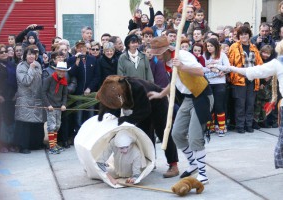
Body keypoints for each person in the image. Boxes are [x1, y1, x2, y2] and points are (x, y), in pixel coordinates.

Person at [148, 36, 213, 184]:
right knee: (177, 133)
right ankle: (193, 163)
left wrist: (182, 66)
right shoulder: (167, 62)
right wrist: (160, 94)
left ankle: (203, 174)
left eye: (158, 53)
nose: (156, 56)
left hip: (202, 96)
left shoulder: (182, 55)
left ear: (165, 50)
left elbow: (200, 71)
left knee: (195, 137)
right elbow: (173, 83)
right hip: (188, 98)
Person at [216, 39, 283, 169]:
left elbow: (252, 71)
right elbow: (252, 71)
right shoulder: (278, 63)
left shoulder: (278, 63)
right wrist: (230, 68)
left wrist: (229, 68)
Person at [97, 75, 179, 178]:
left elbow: (145, 111)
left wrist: (125, 119)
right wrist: (100, 117)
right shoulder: (110, 90)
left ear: (119, 94)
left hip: (158, 103)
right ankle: (150, 162)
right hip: (142, 106)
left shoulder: (137, 88)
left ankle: (173, 165)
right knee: (144, 135)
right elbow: (106, 102)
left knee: (163, 134)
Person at [228, 26, 263, 133]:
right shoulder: (234, 46)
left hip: (252, 80)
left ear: (249, 35)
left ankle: (248, 125)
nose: (243, 36)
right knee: (240, 105)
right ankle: (240, 126)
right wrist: (229, 75)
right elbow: (230, 63)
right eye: (241, 34)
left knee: (250, 104)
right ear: (238, 36)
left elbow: (259, 63)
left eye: (245, 34)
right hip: (239, 80)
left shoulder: (254, 47)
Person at [14, 45, 45, 154]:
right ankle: (23, 147)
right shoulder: (21, 66)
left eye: (33, 54)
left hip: (37, 98)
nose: (31, 56)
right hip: (25, 99)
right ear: (25, 55)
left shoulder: (38, 65)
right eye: (29, 54)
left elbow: (40, 81)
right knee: (25, 124)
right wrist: (31, 68)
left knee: (36, 123)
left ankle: (35, 145)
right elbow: (25, 81)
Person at [68, 40, 99, 135]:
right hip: (78, 93)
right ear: (76, 49)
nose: (81, 49)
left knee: (91, 115)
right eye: (79, 47)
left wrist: (90, 88)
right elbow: (71, 73)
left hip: (90, 93)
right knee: (78, 116)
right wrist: (77, 61)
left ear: (87, 48)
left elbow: (97, 76)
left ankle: (89, 135)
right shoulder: (72, 60)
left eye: (83, 47)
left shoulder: (92, 59)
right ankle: (79, 134)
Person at [0, 44, 17, 153]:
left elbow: (16, 81)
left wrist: (16, 93)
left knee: (11, 120)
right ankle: (1, 144)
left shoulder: (11, 64)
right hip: (0, 96)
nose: (4, 53)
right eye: (1, 52)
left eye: (5, 51)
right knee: (2, 121)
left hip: (11, 96)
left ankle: (10, 143)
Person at [203, 38, 230, 137]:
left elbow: (227, 67)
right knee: (210, 106)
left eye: (211, 46)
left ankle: (222, 127)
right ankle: (211, 126)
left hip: (219, 83)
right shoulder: (205, 56)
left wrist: (215, 67)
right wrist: (210, 68)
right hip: (208, 83)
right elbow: (202, 68)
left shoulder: (222, 55)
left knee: (219, 105)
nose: (209, 48)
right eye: (208, 46)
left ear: (216, 46)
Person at [42, 62, 69, 154]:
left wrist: (64, 104)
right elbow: (43, 92)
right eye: (60, 71)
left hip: (58, 106)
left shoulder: (64, 81)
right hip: (51, 106)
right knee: (51, 126)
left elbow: (65, 94)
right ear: (56, 70)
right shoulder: (49, 79)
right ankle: (52, 146)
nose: (62, 73)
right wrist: (48, 104)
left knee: (57, 125)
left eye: (63, 71)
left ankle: (54, 143)